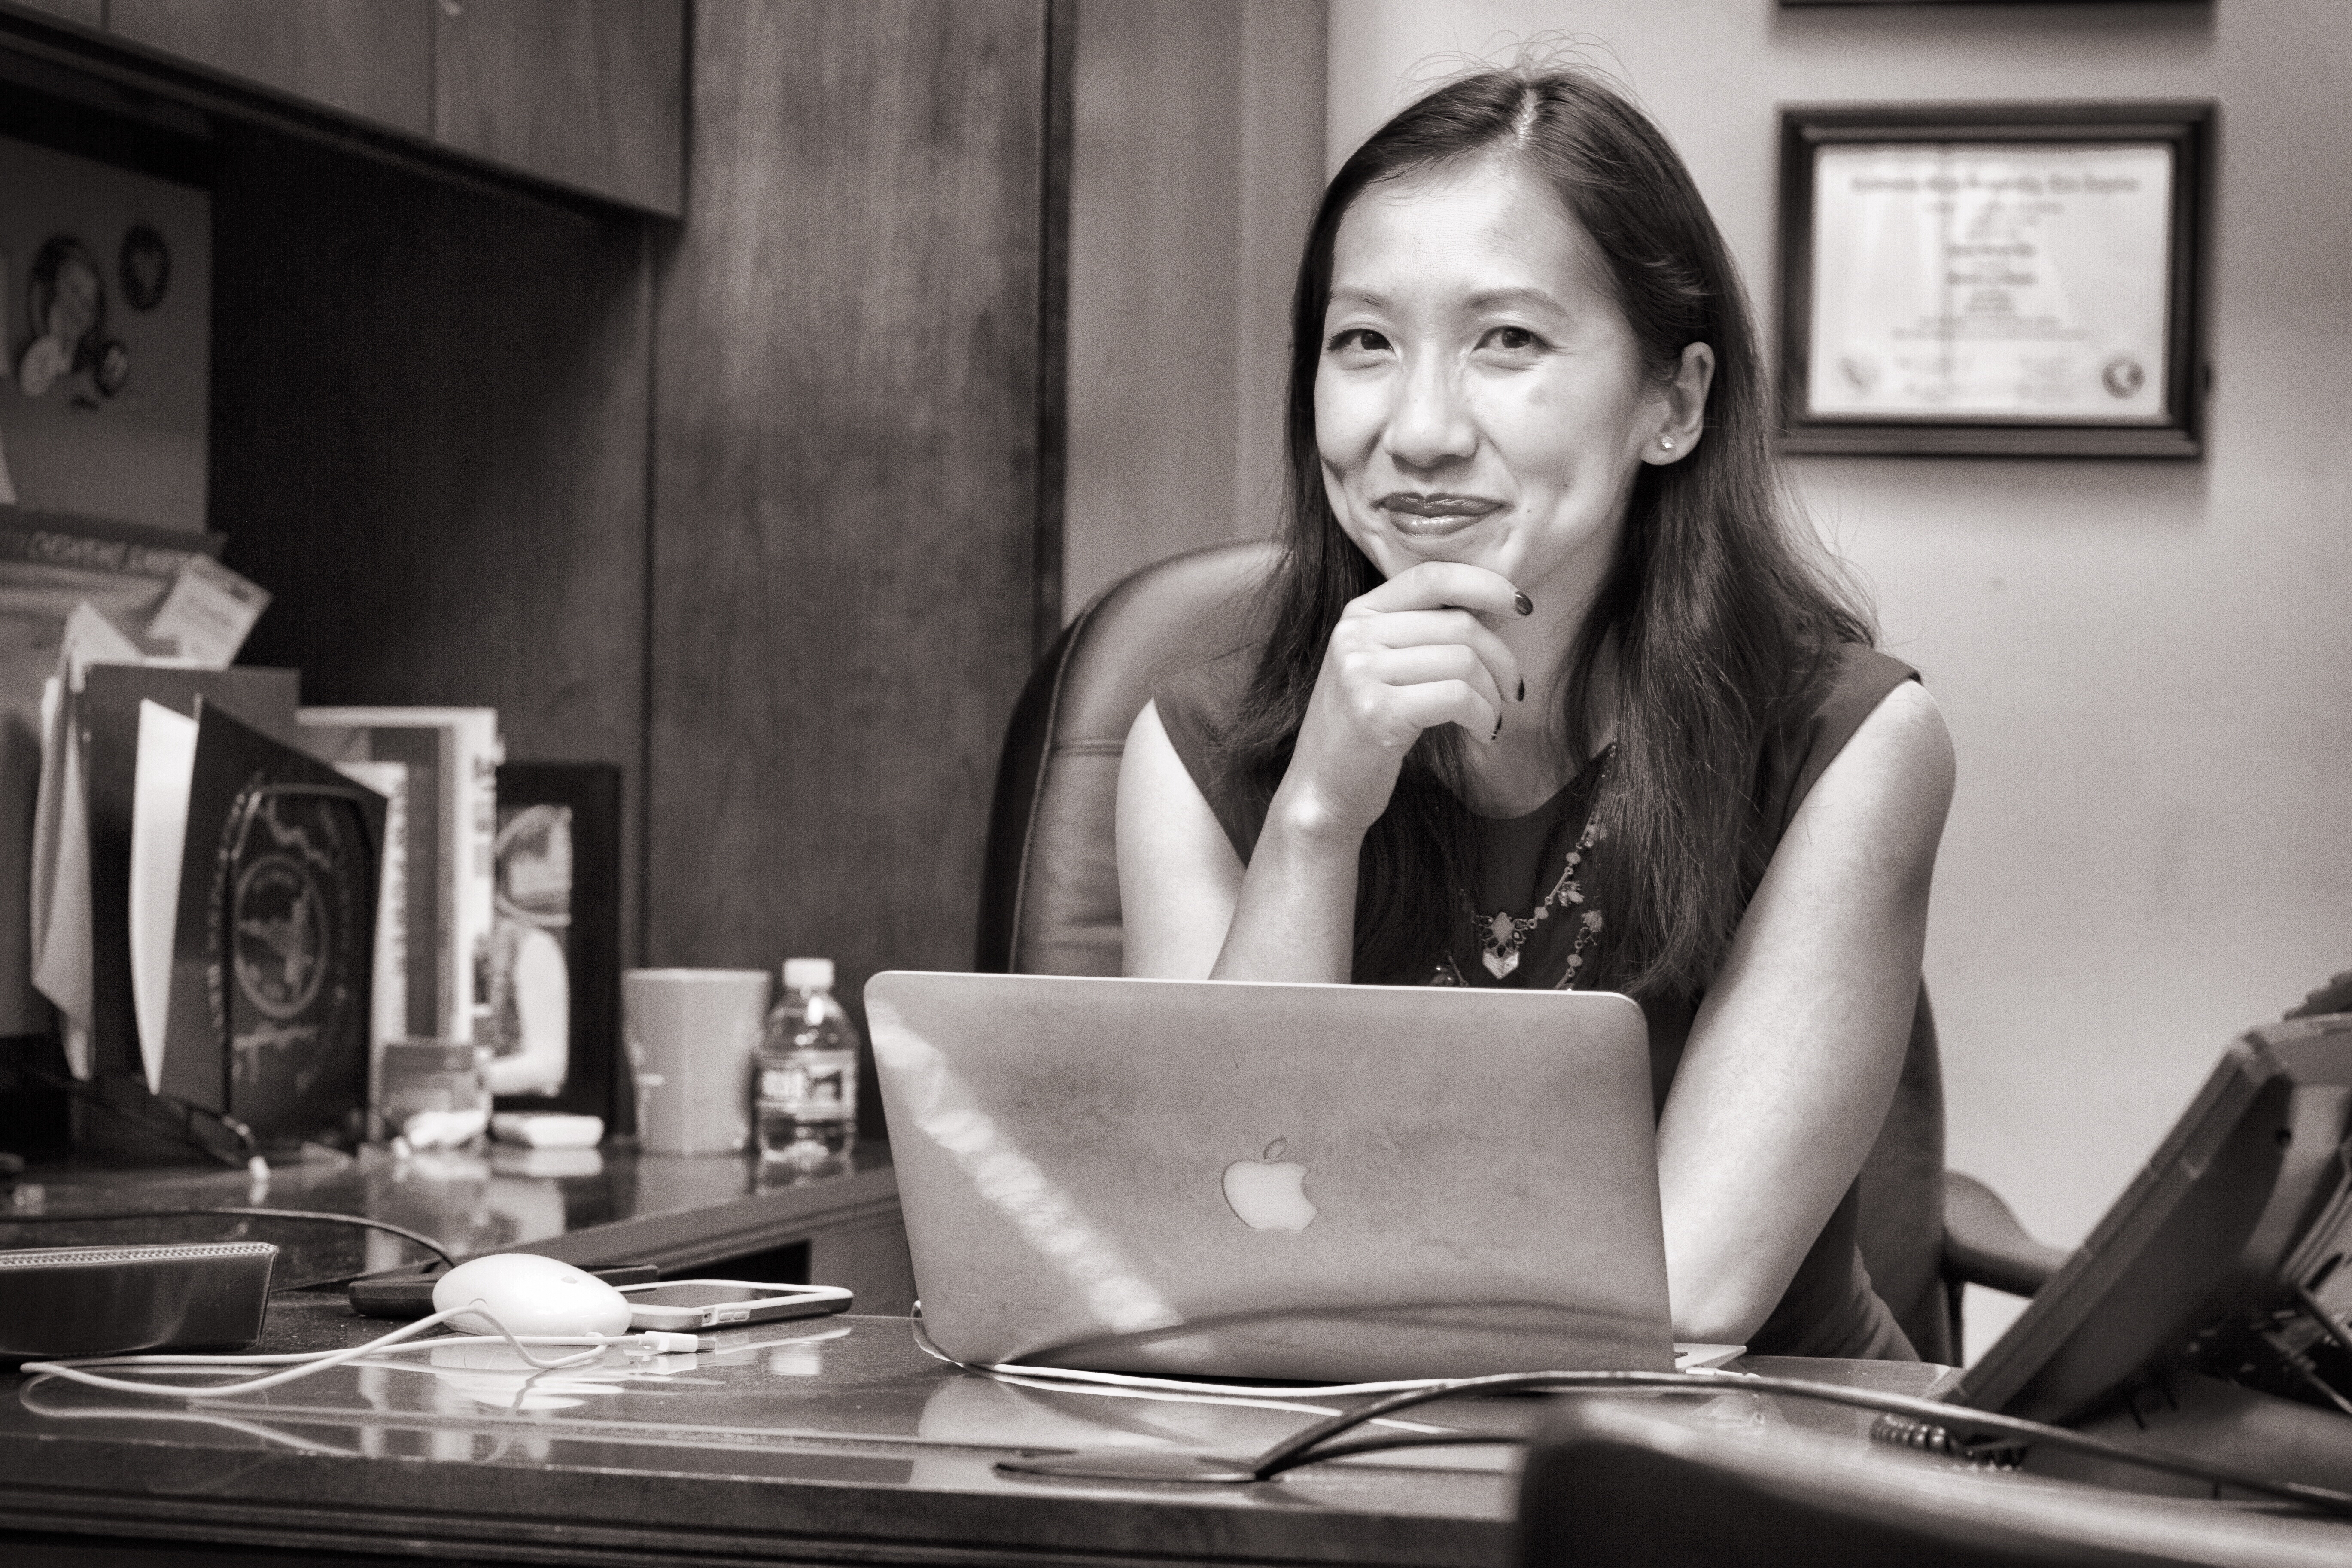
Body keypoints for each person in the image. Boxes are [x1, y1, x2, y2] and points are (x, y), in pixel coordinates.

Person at [1115, 67, 1956, 1360]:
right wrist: (1320, 818)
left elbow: (1690, 1297)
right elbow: (1208, 1245)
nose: (1422, 428)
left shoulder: (1852, 745)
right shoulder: (1196, 744)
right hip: (1337, 1459)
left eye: (1508, 340)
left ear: (1673, 404)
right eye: (1364, 343)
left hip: (1746, 1473)